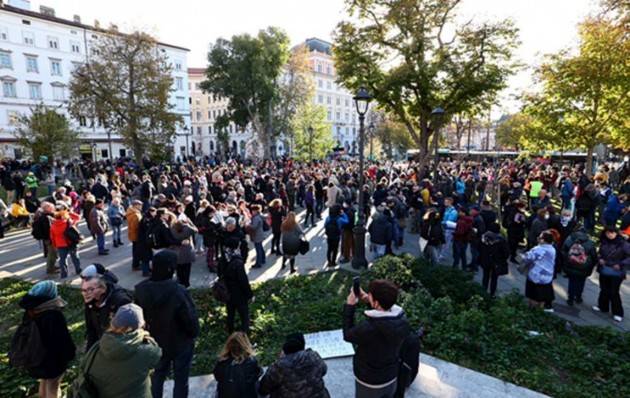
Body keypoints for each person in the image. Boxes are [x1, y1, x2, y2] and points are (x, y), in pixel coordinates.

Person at [135, 250, 200, 398]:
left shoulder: (140, 290)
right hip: (180, 343)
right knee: (181, 378)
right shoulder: (178, 291)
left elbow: (139, 318)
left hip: (155, 342)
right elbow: (189, 319)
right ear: (170, 269)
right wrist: (193, 333)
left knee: (157, 376)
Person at [343, 279, 410, 398]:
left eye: (370, 295)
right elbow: (384, 315)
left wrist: (350, 306)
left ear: (377, 303)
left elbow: (348, 335)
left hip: (369, 380)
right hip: (391, 374)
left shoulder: (369, 328)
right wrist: (370, 301)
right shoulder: (402, 320)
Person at [83, 303, 162, 398]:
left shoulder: (97, 347)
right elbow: (157, 354)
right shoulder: (146, 350)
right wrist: (143, 335)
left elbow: (84, 367)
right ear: (139, 326)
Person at [17, 281, 75, 398]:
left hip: (38, 358)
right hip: (53, 360)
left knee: (44, 382)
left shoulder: (32, 310)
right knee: (53, 387)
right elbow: (62, 341)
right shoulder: (53, 315)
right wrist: (70, 354)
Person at [258, 333, 329, 398]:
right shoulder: (313, 356)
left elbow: (263, 389)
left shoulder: (279, 366)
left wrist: (280, 359)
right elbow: (324, 370)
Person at [82, 274, 133, 350]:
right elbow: (91, 330)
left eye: (90, 289)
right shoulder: (90, 302)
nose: (85, 293)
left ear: (102, 289)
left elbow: (128, 333)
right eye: (83, 290)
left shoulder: (121, 302)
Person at [593, 226, 630, 322]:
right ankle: (602, 307)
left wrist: (620, 264)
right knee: (604, 289)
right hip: (604, 269)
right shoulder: (604, 241)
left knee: (614, 292)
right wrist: (599, 259)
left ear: (616, 233)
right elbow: (599, 253)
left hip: (617, 272)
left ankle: (618, 312)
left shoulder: (623, 244)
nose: (610, 235)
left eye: (612, 233)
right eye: (608, 233)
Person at [213, 332, 263, 398]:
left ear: (229, 345)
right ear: (246, 345)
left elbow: (217, 377)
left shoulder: (221, 362)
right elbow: (258, 373)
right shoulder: (252, 362)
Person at [219, 243, 253, 333]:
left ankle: (230, 333)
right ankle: (244, 336)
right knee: (244, 316)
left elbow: (220, 275)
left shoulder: (223, 259)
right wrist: (250, 295)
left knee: (230, 314)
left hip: (227, 293)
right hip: (239, 294)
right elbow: (243, 281)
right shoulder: (238, 263)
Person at [561, 226, 597, 306]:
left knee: (572, 281)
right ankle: (578, 297)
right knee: (581, 282)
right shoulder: (590, 242)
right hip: (584, 266)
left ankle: (570, 298)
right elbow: (594, 256)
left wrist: (568, 259)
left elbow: (563, 251)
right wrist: (592, 264)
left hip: (571, 264)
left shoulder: (569, 239)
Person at [521, 231, 556, 312]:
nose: (538, 239)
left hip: (535, 277)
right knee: (542, 297)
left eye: (540, 237)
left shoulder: (539, 249)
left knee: (533, 296)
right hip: (547, 278)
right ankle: (539, 312)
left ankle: (531, 312)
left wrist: (522, 256)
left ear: (543, 240)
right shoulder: (552, 249)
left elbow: (527, 258)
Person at [479, 223, 510, 298]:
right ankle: (492, 294)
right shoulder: (501, 240)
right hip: (497, 261)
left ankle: (483, 292)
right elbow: (506, 252)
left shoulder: (484, 237)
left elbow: (479, 248)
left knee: (485, 276)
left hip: (485, 260)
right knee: (494, 278)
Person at [49, 208, 81, 279]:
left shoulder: (52, 226)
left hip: (60, 245)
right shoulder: (68, 223)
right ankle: (78, 270)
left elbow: (52, 237)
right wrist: (70, 212)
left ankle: (64, 274)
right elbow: (78, 217)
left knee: (62, 259)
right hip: (71, 243)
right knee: (75, 257)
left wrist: (55, 245)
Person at [171, 219, 198, 287]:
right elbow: (196, 230)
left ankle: (180, 283)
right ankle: (186, 284)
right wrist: (190, 222)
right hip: (187, 252)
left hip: (177, 252)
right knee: (187, 269)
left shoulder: (172, 229)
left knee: (179, 270)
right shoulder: (187, 228)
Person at [32, 202, 58, 274]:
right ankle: (50, 269)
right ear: (46, 208)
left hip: (48, 238)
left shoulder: (44, 216)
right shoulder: (46, 217)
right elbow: (47, 229)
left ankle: (52, 266)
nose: (53, 208)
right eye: (51, 207)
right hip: (49, 238)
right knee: (52, 253)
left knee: (52, 253)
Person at [126, 200, 143, 271]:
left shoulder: (130, 212)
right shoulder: (135, 215)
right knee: (137, 251)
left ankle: (136, 264)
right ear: (136, 205)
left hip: (132, 235)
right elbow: (136, 226)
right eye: (140, 205)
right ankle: (136, 265)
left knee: (135, 250)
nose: (141, 207)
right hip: (136, 235)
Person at [248, 204, 266, 269]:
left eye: (252, 210)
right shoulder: (260, 215)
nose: (252, 212)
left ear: (255, 211)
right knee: (260, 248)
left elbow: (254, 227)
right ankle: (263, 259)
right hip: (260, 234)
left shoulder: (256, 218)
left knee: (258, 249)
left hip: (257, 235)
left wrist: (248, 225)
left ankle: (258, 263)